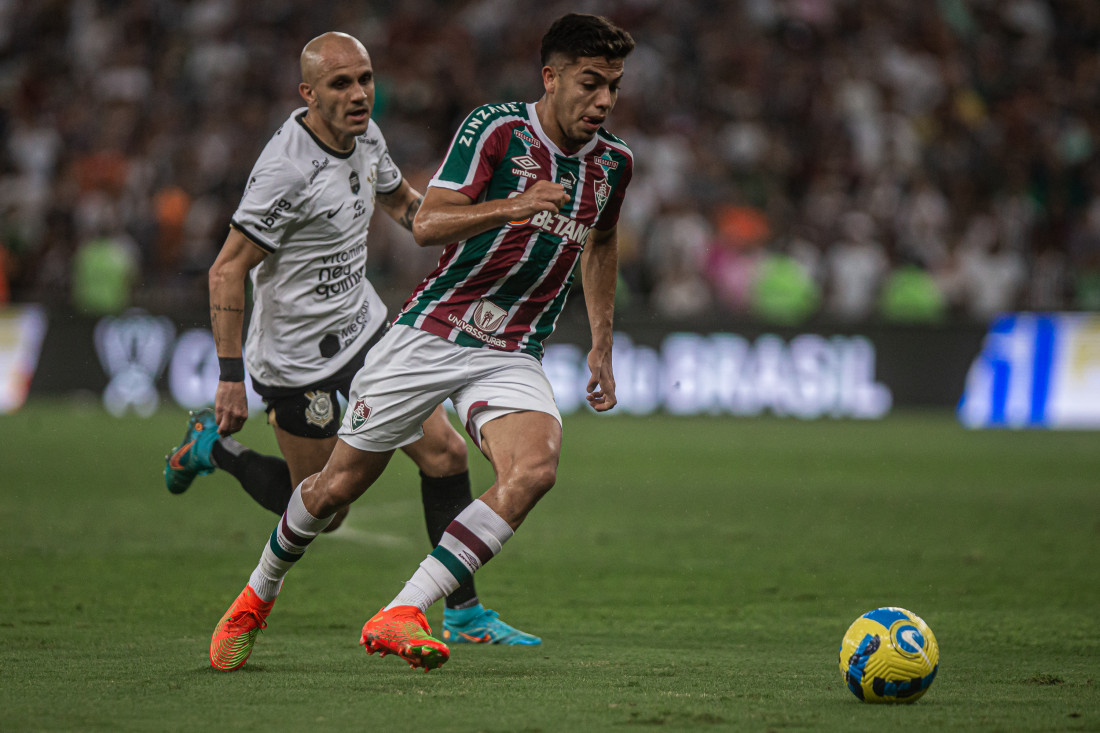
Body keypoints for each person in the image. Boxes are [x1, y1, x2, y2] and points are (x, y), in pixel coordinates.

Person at [208, 13, 635, 673]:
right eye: (591, 83)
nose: (604, 100)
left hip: (510, 349)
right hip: (428, 333)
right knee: (333, 489)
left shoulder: (613, 165)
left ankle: (406, 609)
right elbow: (429, 221)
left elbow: (601, 242)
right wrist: (513, 205)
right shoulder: (497, 130)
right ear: (550, 79)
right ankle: (255, 595)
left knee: (534, 468)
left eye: (614, 85)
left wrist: (602, 341)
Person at [167, 31, 540, 654]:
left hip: (368, 331)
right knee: (322, 507)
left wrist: (465, 228)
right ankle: (216, 449)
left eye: (365, 79)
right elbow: (227, 269)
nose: (359, 93)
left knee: (447, 457)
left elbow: (402, 203)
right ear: (308, 94)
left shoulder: (366, 136)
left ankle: (466, 613)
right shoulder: (286, 171)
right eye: (341, 84)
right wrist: (230, 377)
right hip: (297, 360)